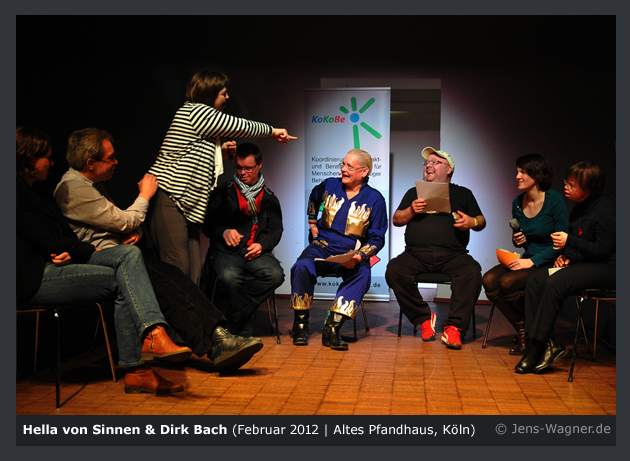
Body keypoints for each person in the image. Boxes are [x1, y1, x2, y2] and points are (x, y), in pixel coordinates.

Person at [53, 128, 264, 372]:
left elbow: (123, 222)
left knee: (174, 276)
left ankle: (219, 335)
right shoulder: (75, 188)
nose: (116, 162)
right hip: (104, 260)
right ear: (90, 163)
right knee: (165, 283)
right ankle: (215, 344)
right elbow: (124, 221)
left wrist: (132, 229)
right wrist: (145, 195)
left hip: (120, 255)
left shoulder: (90, 185)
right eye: (110, 158)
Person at [16, 126, 189, 395]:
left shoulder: (38, 191)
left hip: (53, 265)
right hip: (31, 279)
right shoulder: (17, 194)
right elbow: (43, 239)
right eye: (45, 157)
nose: (51, 162)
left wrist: (65, 250)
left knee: (128, 264)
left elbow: (57, 236)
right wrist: (81, 250)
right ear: (28, 158)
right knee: (127, 270)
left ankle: (146, 354)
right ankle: (146, 352)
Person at [147, 70, 297, 285]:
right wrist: (272, 131)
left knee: (192, 275)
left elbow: (191, 154)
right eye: (223, 93)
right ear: (209, 93)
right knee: (178, 273)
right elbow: (239, 125)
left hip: (186, 207)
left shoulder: (202, 123)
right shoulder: (195, 111)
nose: (227, 97)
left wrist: (220, 153)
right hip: (172, 199)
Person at [515, 161, 615, 374]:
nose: (566, 187)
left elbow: (603, 251)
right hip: (585, 264)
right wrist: (566, 256)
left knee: (556, 282)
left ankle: (536, 347)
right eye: (566, 182)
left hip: (607, 268)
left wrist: (570, 243)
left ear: (588, 188)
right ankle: (546, 343)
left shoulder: (606, 210)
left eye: (572, 185)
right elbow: (578, 242)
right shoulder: (579, 208)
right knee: (536, 279)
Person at [385, 147, 486, 350]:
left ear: (448, 169)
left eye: (435, 162)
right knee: (394, 270)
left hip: (454, 255)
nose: (428, 165)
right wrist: (411, 210)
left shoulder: (463, 193)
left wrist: (471, 222)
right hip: (415, 255)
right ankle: (423, 317)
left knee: (472, 271)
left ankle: (454, 328)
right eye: (427, 163)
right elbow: (396, 220)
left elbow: (481, 221)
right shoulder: (413, 193)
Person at [290, 149, 388, 350]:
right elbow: (313, 198)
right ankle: (300, 325)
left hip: (351, 253)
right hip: (321, 246)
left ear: (364, 172)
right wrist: (312, 224)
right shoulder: (329, 185)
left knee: (362, 274)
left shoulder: (375, 199)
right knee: (301, 266)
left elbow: (377, 238)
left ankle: (332, 327)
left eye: (349, 166)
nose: (343, 169)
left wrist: (359, 257)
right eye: (343, 164)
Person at [482, 154, 568, 354]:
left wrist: (532, 261)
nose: (517, 176)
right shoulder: (518, 202)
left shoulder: (554, 200)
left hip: (550, 260)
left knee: (507, 283)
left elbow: (562, 243)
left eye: (523, 172)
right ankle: (524, 329)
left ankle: (532, 331)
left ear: (537, 175)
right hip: (528, 257)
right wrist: (518, 240)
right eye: (517, 172)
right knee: (489, 280)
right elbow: (522, 237)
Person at [202, 142, 284, 337]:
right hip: (226, 251)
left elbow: (276, 230)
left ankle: (238, 315)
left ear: (259, 165)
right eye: (238, 168)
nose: (242, 173)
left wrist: (261, 245)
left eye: (248, 168)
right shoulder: (223, 192)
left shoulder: (269, 198)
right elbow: (207, 225)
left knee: (275, 275)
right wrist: (224, 231)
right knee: (230, 277)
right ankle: (244, 318)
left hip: (253, 251)